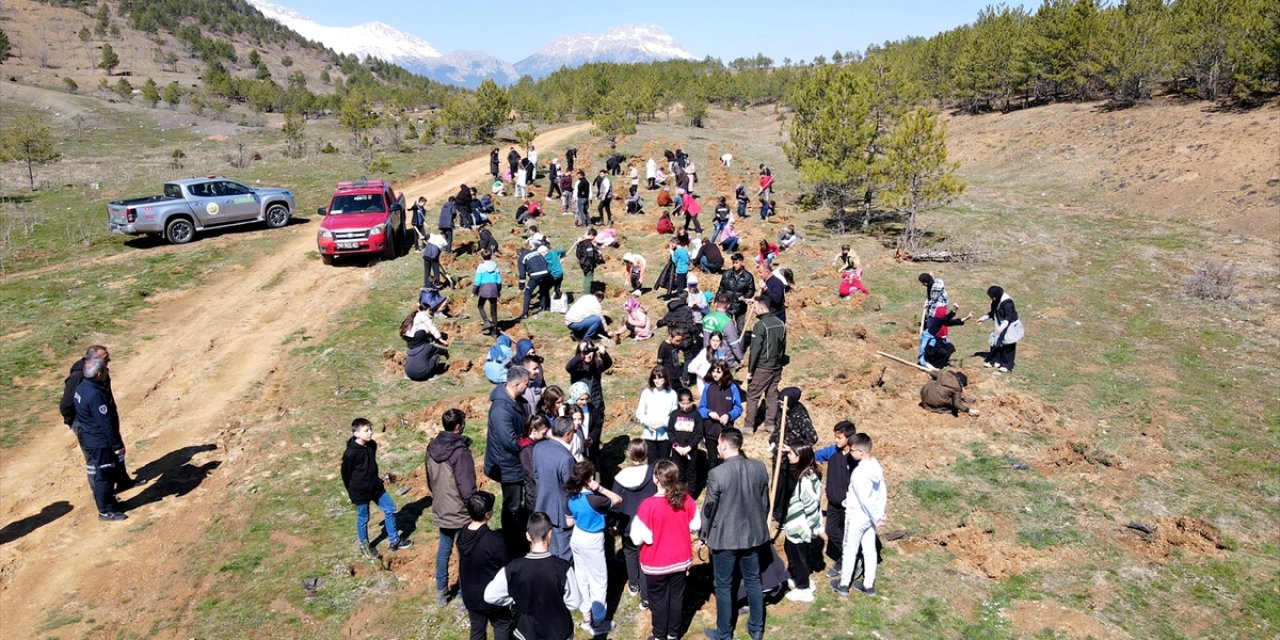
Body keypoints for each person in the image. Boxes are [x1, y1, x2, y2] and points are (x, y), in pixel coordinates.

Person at [699, 428, 770, 640]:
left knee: (723, 585)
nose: (717, 448)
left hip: (725, 538)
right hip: (752, 535)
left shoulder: (716, 474)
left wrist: (703, 536)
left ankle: (724, 633)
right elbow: (764, 503)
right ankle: (756, 629)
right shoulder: (759, 467)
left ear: (724, 444)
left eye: (718, 444)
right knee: (753, 580)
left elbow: (709, 509)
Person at [484, 512, 582, 640]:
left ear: (528, 536)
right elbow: (574, 603)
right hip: (560, 631)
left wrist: (513, 599)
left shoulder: (513, 569)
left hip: (528, 633)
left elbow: (489, 596)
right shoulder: (563, 567)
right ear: (550, 534)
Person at [631, 459, 700, 640]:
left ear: (656, 479)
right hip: (680, 559)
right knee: (676, 597)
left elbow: (636, 537)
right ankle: (673, 634)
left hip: (656, 563)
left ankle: (659, 635)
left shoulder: (648, 505)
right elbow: (696, 525)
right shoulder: (686, 499)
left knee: (658, 600)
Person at [61, 345, 141, 493]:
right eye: (106, 358)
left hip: (102, 417)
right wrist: (75, 424)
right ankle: (103, 496)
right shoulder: (78, 376)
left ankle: (123, 481)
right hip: (87, 425)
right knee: (95, 461)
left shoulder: (101, 372)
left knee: (115, 449)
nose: (109, 359)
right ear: (93, 360)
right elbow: (66, 404)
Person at [426, 408, 477, 604]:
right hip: (460, 509)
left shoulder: (431, 447)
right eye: (463, 422)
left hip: (441, 505)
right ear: (458, 427)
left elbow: (429, 478)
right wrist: (473, 506)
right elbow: (466, 484)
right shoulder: (460, 452)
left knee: (444, 549)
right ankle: (465, 598)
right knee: (465, 553)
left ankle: (441, 592)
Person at [564, 460, 622, 635]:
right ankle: (598, 622)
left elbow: (568, 522)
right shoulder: (596, 500)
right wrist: (600, 488)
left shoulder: (571, 497)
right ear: (590, 478)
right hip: (592, 540)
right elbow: (618, 500)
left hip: (577, 537)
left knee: (581, 575)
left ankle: (586, 615)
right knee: (599, 579)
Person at [342, 418, 412, 558]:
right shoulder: (350, 453)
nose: (370, 433)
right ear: (356, 433)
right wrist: (351, 492)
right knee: (363, 517)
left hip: (375, 486)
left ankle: (394, 541)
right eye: (366, 430)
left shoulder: (372, 445)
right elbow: (346, 474)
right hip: (360, 491)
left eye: (370, 429)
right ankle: (365, 546)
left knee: (390, 508)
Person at [72, 355, 130, 520]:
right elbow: (106, 423)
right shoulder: (95, 394)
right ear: (98, 374)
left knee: (106, 474)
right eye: (104, 370)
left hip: (91, 438)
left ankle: (110, 503)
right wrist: (117, 444)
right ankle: (105, 511)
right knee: (104, 476)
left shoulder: (82, 388)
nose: (107, 372)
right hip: (99, 442)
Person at [484, 366, 532, 557]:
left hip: (515, 462)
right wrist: (530, 443)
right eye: (526, 384)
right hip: (507, 465)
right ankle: (512, 543)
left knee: (516, 503)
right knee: (512, 505)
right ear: (515, 384)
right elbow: (509, 441)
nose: (528, 388)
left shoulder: (515, 401)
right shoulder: (501, 410)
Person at [833, 434, 887, 598]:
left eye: (852, 450)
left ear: (861, 452)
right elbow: (881, 492)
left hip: (857, 516)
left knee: (850, 549)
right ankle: (868, 585)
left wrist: (876, 517)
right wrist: (879, 513)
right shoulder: (876, 467)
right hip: (869, 518)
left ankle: (843, 584)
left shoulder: (859, 473)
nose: (850, 453)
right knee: (869, 550)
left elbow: (864, 500)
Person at [458, 491, 513, 640]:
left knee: (477, 630)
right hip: (492, 596)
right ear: (488, 514)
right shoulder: (494, 541)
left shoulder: (462, 535)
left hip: (470, 596)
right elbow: (507, 567)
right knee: (502, 623)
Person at [611, 439, 658, 606]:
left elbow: (615, 504)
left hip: (627, 523)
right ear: (646, 453)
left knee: (630, 554)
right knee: (644, 557)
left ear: (628, 454)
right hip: (647, 523)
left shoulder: (620, 477)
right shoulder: (653, 473)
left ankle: (633, 584)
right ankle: (646, 598)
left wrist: (614, 524)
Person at [815, 421, 858, 579]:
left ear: (849, 438)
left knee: (848, 533)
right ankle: (849, 555)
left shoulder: (855, 458)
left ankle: (847, 560)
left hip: (849, 505)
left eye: (839, 438)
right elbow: (816, 455)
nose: (836, 440)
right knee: (831, 531)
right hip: (833, 503)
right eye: (835, 437)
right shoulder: (832, 452)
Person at [781, 444, 823, 602]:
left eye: (791, 453)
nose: (788, 456)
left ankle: (803, 588)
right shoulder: (808, 472)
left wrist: (813, 527)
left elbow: (811, 506)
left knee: (796, 556)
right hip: (796, 523)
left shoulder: (806, 480)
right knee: (795, 553)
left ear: (800, 457)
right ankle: (800, 578)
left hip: (800, 526)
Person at [534, 416, 577, 561]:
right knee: (564, 554)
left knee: (547, 550)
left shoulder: (539, 447)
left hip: (542, 506)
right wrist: (569, 515)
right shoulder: (566, 458)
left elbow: (536, 476)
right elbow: (570, 489)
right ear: (567, 434)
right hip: (561, 514)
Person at [744, 297, 787, 435]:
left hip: (763, 367)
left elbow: (755, 349)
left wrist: (750, 370)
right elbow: (783, 346)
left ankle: (749, 426)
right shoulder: (781, 323)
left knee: (753, 395)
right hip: (776, 367)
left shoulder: (760, 325)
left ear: (762, 307)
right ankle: (770, 424)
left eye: (755, 307)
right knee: (772, 395)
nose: (754, 310)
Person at [565, 340, 612, 463]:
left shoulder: (596, 364)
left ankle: (594, 463)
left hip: (595, 405)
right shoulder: (577, 368)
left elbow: (608, 364)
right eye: (585, 352)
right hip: (578, 407)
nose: (588, 355)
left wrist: (604, 353)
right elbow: (568, 366)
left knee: (594, 437)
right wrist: (582, 355)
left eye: (591, 351)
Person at [698, 360, 744, 471]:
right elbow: (701, 408)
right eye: (713, 371)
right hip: (710, 430)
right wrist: (709, 413)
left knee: (726, 460)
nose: (715, 374)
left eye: (718, 372)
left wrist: (729, 415)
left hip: (725, 431)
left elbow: (738, 408)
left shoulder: (732, 388)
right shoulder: (708, 386)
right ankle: (712, 483)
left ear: (724, 372)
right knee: (712, 460)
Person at [636, 366, 679, 463]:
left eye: (660, 378)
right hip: (649, 435)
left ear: (665, 378)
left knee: (663, 463)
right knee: (652, 464)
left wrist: (663, 423)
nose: (657, 380)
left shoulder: (672, 394)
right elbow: (640, 413)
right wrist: (648, 423)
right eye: (654, 378)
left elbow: (674, 415)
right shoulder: (646, 393)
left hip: (665, 436)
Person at [977, 286, 1023, 372]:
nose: (992, 298)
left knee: (1008, 345)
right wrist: (983, 318)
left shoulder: (1007, 303)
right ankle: (995, 360)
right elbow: (992, 312)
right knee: (995, 342)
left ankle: (1006, 365)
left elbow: (1009, 317)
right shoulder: (995, 301)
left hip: (1010, 326)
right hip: (999, 324)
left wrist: (1002, 327)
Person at [666, 388, 703, 492]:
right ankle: (679, 495)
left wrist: (689, 447)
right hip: (677, 451)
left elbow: (699, 434)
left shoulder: (696, 415)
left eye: (688, 403)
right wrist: (676, 446)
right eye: (683, 404)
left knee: (691, 473)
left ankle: (691, 496)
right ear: (678, 402)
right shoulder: (674, 415)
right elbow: (670, 432)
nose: (686, 406)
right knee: (678, 474)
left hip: (691, 451)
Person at [920, 305, 972, 369]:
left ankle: (943, 362)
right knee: (942, 352)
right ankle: (935, 365)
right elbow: (945, 318)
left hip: (938, 341)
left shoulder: (943, 321)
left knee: (950, 348)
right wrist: (954, 310)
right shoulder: (936, 321)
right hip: (930, 343)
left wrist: (967, 317)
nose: (945, 314)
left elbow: (955, 322)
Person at [701, 296, 744, 368]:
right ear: (728, 305)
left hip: (708, 355)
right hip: (723, 359)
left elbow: (704, 336)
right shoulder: (727, 321)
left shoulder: (706, 317)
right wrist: (740, 358)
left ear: (716, 304)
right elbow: (733, 342)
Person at [717, 253, 756, 334]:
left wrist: (744, 297)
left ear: (741, 262)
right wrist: (719, 300)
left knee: (740, 329)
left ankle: (740, 346)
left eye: (736, 263)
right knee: (727, 328)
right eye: (733, 263)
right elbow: (721, 288)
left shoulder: (748, 277)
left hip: (740, 306)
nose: (734, 265)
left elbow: (751, 290)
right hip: (727, 305)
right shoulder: (727, 274)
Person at [473, 249, 503, 337]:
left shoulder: (480, 267)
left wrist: (474, 291)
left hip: (484, 289)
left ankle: (486, 321)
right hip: (493, 289)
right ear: (491, 256)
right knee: (494, 311)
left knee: (480, 305)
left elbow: (477, 281)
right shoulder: (495, 266)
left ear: (482, 257)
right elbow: (499, 280)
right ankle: (494, 332)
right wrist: (499, 291)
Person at [518, 244, 552, 320]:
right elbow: (545, 261)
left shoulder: (521, 258)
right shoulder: (536, 252)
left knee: (527, 292)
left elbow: (522, 275)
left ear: (519, 253)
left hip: (535, 275)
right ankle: (543, 307)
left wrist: (521, 286)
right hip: (546, 272)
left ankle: (525, 314)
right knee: (544, 289)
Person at [574, 228, 605, 294]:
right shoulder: (588, 244)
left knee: (586, 277)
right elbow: (590, 255)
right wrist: (595, 262)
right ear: (591, 235)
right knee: (589, 279)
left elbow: (578, 254)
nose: (594, 238)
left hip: (583, 263)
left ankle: (586, 291)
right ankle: (587, 294)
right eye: (594, 236)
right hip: (588, 264)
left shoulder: (580, 243)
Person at [656, 327, 687, 391]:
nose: (679, 343)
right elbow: (659, 362)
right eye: (677, 341)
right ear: (670, 337)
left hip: (676, 372)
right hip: (668, 374)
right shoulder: (664, 347)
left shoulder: (675, 344)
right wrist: (660, 374)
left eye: (680, 341)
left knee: (680, 389)